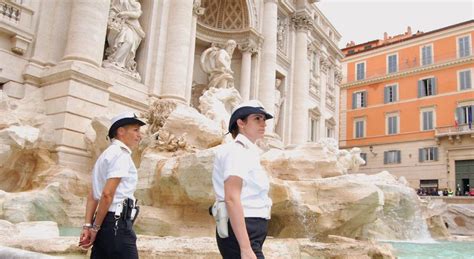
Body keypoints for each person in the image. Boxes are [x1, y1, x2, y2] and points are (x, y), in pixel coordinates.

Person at [79, 112, 145, 258]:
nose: (139, 135)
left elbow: (92, 195)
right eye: (135, 130)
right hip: (117, 225)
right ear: (121, 131)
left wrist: (89, 226)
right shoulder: (121, 155)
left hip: (105, 223)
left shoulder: (105, 155)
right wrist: (95, 228)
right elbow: (107, 194)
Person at [212, 100, 273, 259]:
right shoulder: (236, 151)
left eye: (264, 120)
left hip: (249, 231)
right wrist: (245, 248)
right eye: (257, 119)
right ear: (241, 123)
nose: (263, 124)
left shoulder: (247, 152)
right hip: (242, 231)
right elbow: (231, 198)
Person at [103, 0, 145, 80]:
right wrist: (111, 19)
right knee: (123, 41)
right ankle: (115, 61)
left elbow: (137, 14)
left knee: (130, 42)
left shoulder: (136, 4)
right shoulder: (120, 0)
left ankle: (120, 63)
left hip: (133, 26)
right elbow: (113, 9)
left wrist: (125, 13)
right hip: (121, 24)